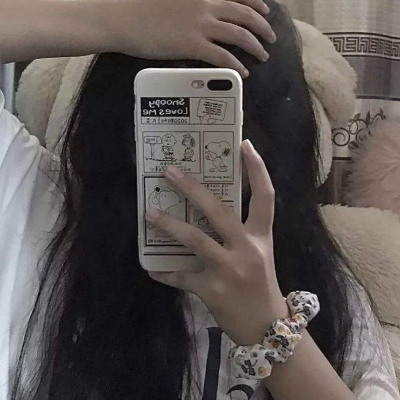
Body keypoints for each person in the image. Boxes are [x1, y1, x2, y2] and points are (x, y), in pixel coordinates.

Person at [0, 1, 399, 400]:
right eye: (163, 124)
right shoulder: (45, 209)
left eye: (221, 129)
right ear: (117, 120)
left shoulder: (322, 292)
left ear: (278, 138)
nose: (185, 163)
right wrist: (118, 20)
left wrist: (268, 325)